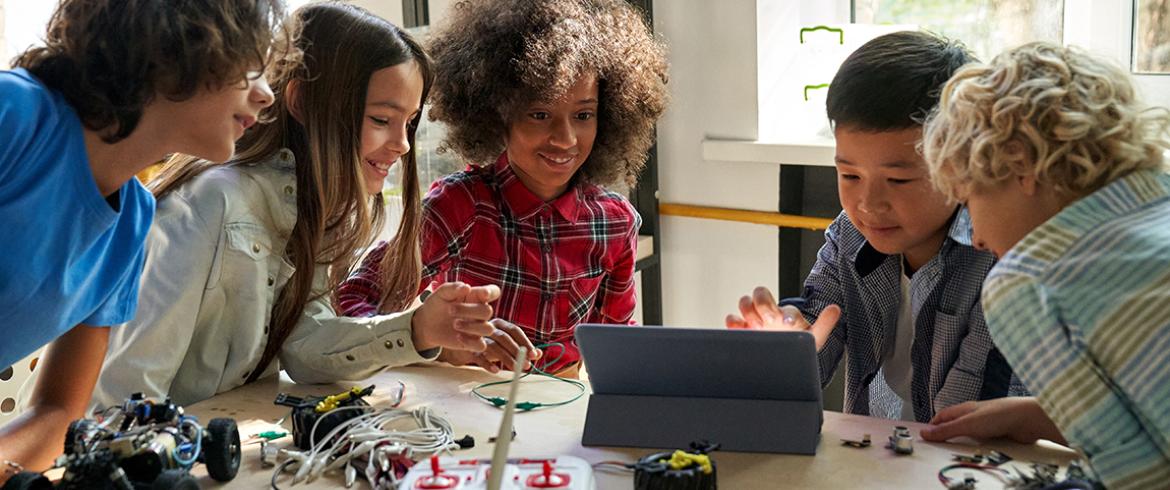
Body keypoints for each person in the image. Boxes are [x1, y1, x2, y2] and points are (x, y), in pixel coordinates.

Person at [92, 2, 502, 410]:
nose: (403, 144)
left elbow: (304, 346)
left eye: (409, 123)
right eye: (381, 119)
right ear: (303, 101)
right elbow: (126, 393)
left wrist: (416, 329)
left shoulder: (315, 208)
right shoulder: (209, 202)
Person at [0, 0, 284, 475]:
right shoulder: (14, 114)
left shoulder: (132, 220)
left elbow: (59, 412)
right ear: (174, 44)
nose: (266, 95)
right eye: (251, 68)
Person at [337, 0, 670, 376]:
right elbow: (354, 301)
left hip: (561, 403)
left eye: (583, 115)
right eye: (539, 114)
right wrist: (434, 342)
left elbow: (616, 351)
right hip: (468, 401)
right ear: (497, 114)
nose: (565, 138)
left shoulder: (616, 222)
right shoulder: (459, 206)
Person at [727, 31, 1025, 422]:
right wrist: (787, 347)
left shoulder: (999, 258)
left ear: (962, 165)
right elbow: (815, 323)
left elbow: (965, 428)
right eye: (849, 175)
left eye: (898, 180)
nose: (868, 204)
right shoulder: (850, 236)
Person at [919, 42, 1170, 488]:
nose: (976, 237)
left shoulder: (1030, 281)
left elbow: (1139, 476)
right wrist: (1036, 415)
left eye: (970, 201)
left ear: (1021, 165)